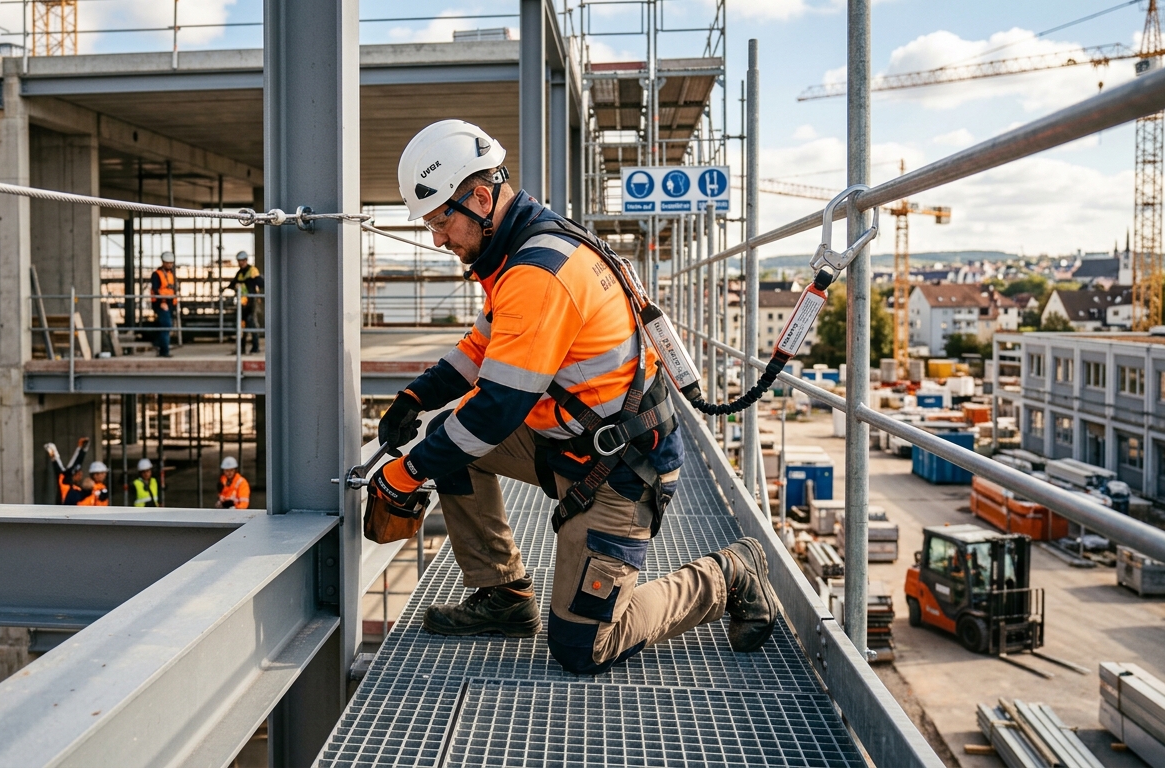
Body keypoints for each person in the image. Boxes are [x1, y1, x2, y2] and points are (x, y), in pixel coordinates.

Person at [367, 120, 780, 676]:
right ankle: (504, 596)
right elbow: (480, 349)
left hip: (620, 471)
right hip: (568, 443)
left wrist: (408, 470)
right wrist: (416, 397)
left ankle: (727, 575)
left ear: (481, 199)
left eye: (442, 222)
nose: (438, 239)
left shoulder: (538, 274)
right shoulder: (523, 249)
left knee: (582, 647)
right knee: (451, 443)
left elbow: (495, 410)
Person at [225, 251, 264, 354]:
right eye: (239, 261)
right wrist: (225, 288)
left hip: (252, 301)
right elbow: (233, 283)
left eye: (242, 261)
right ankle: (241, 349)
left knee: (252, 323)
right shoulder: (240, 273)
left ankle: (255, 347)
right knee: (242, 325)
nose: (240, 263)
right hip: (243, 302)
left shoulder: (252, 270)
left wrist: (250, 282)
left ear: (246, 260)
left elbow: (260, 282)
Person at [151, 251, 178, 358]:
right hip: (162, 303)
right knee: (166, 325)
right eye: (168, 263)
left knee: (165, 326)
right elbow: (156, 289)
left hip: (171, 303)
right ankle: (164, 350)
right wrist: (162, 302)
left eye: (171, 263)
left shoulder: (171, 274)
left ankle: (159, 345)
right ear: (163, 262)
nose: (170, 265)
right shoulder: (157, 274)